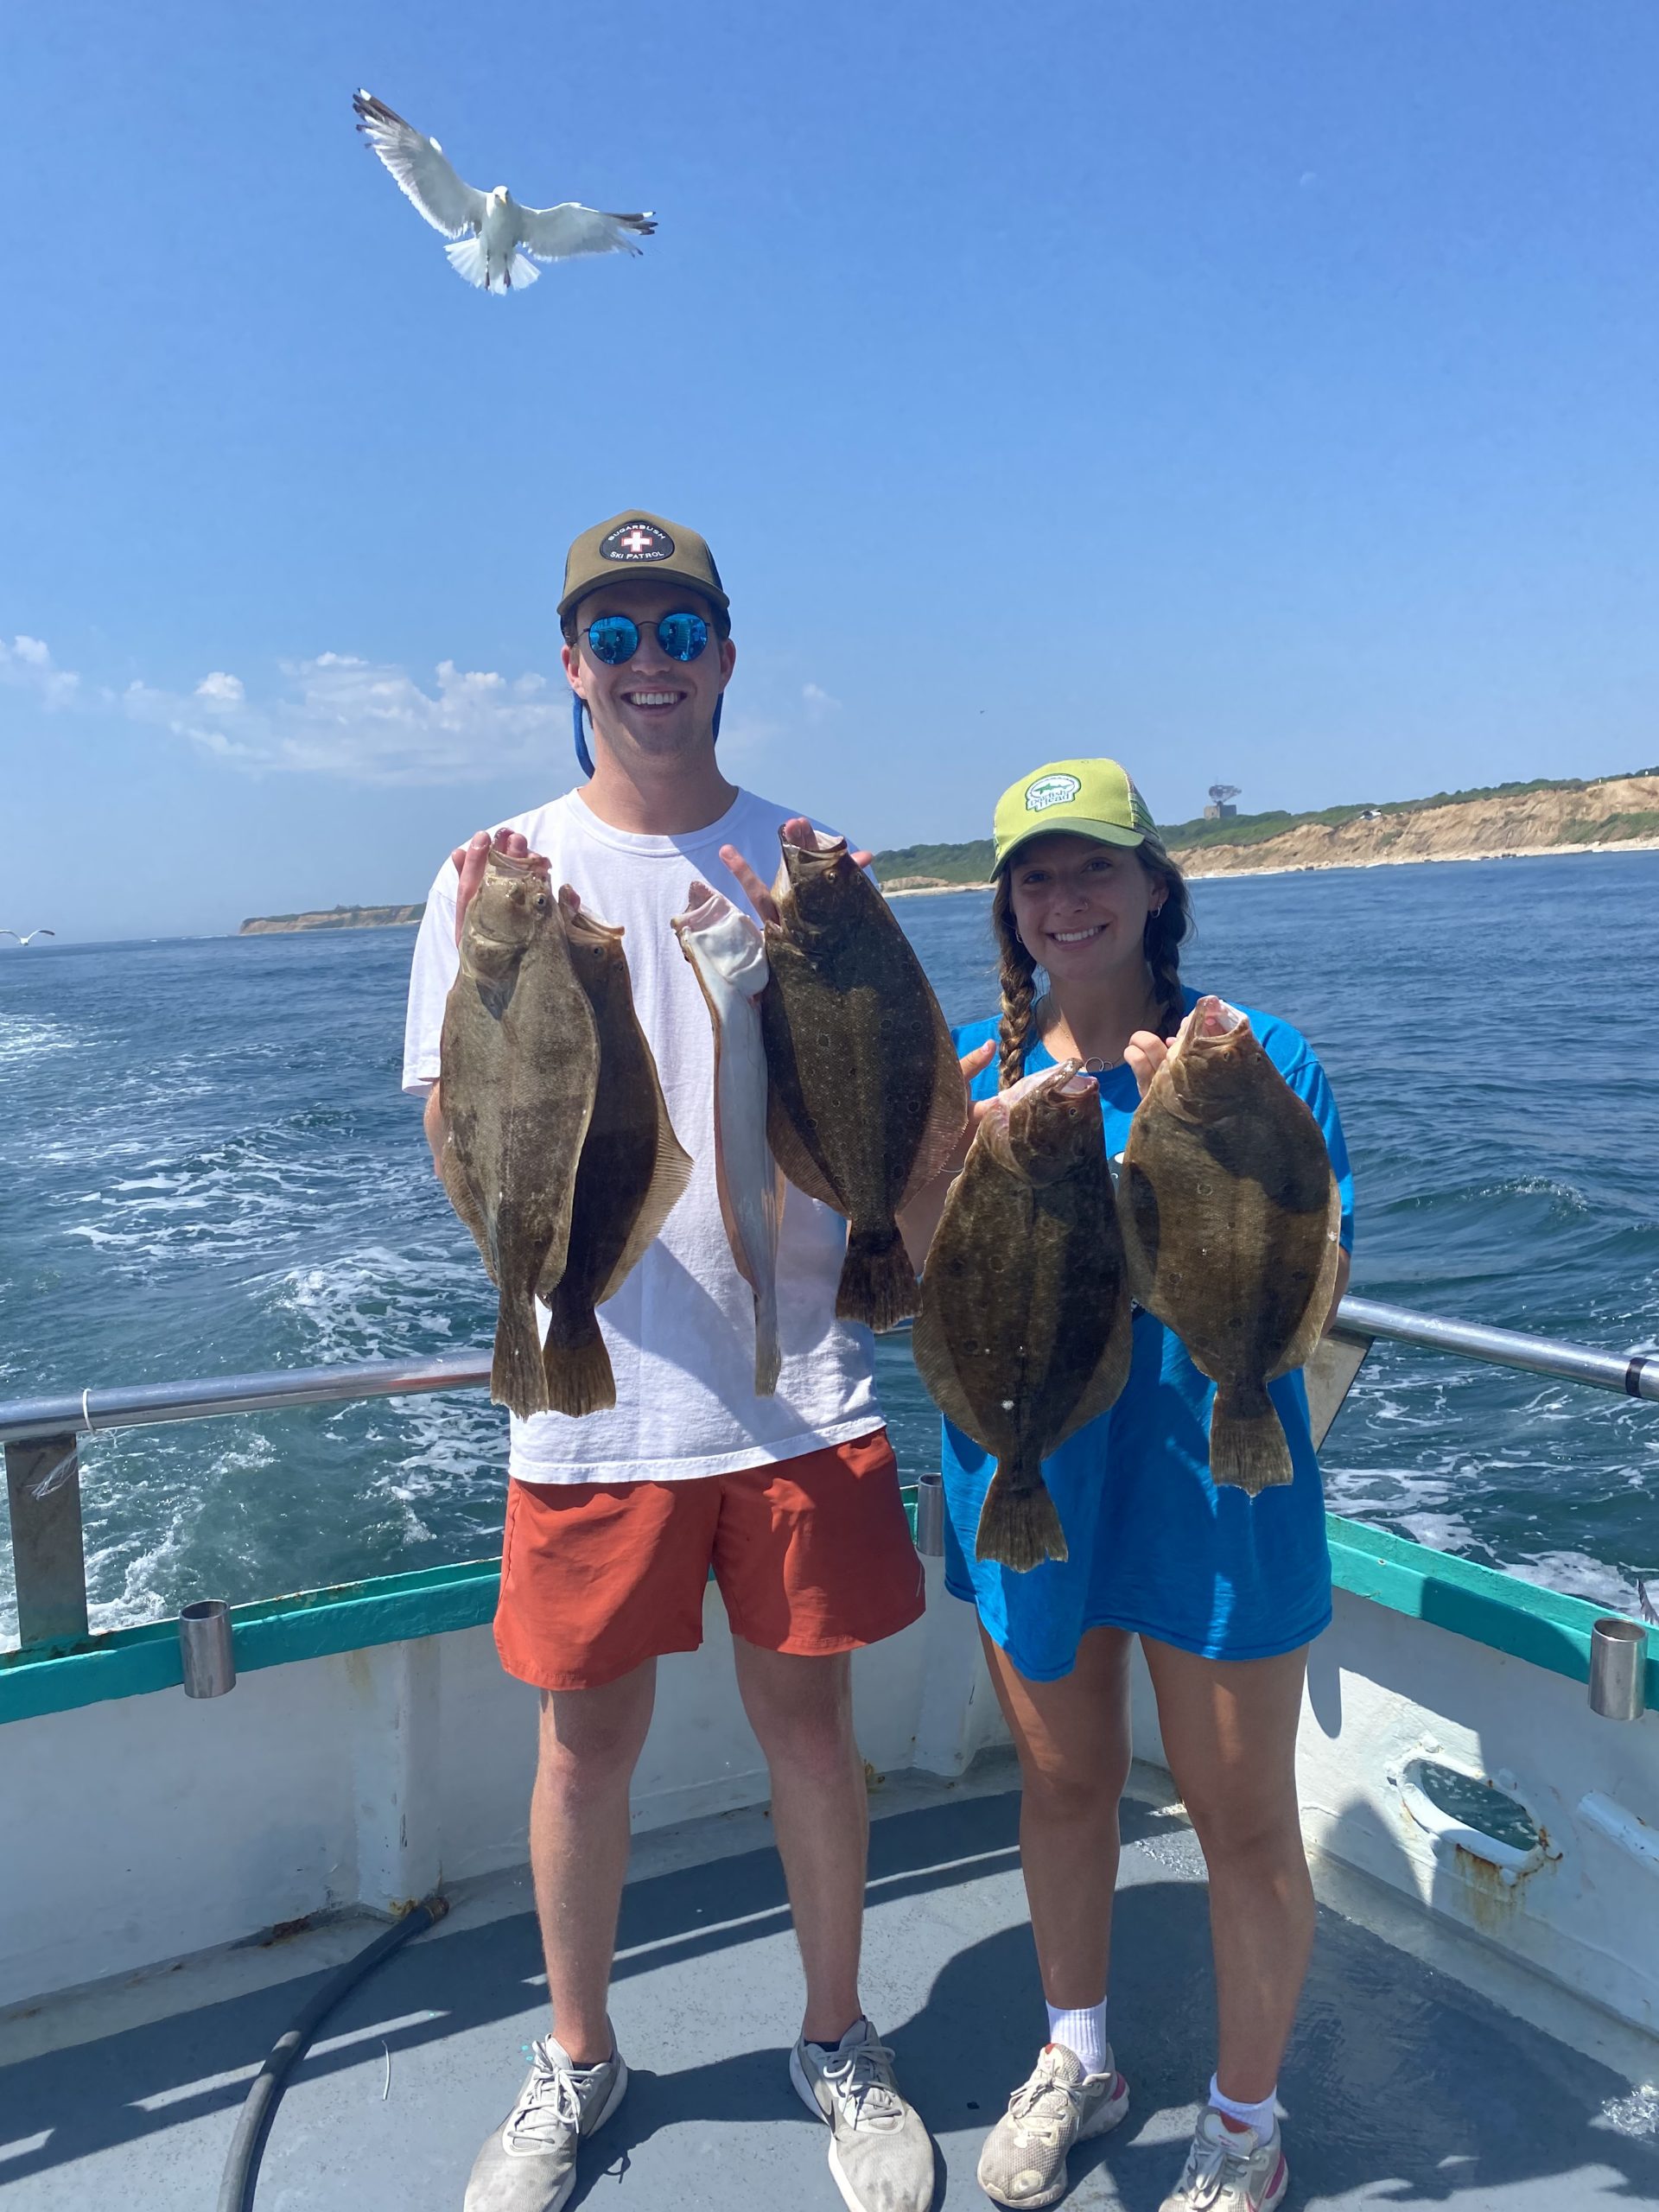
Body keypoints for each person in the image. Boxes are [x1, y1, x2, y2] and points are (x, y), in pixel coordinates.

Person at [403, 511, 935, 2212]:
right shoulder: (493, 875)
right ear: (571, 663)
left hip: (800, 1395)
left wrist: (934, 1245)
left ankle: (839, 2037)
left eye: (679, 627)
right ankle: (577, 2054)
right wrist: (534, 1266)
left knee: (812, 1735)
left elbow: (909, 1106)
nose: (650, 662)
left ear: (726, 649)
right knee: (585, 1750)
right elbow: (457, 1118)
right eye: (614, 633)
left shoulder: (812, 863)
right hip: (598, 1402)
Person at [900, 758, 1353, 2212]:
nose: (1067, 897)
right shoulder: (974, 1080)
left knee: (1242, 1818)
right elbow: (912, 1285)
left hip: (1219, 1485)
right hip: (1034, 1477)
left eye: (1096, 866)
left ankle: (1243, 2123)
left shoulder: (1255, 1054)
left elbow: (1315, 1266)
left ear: (1159, 884)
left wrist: (1207, 1123)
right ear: (1009, 908)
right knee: (1063, 1782)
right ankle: (1078, 2055)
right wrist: (932, 1177)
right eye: (1037, 875)